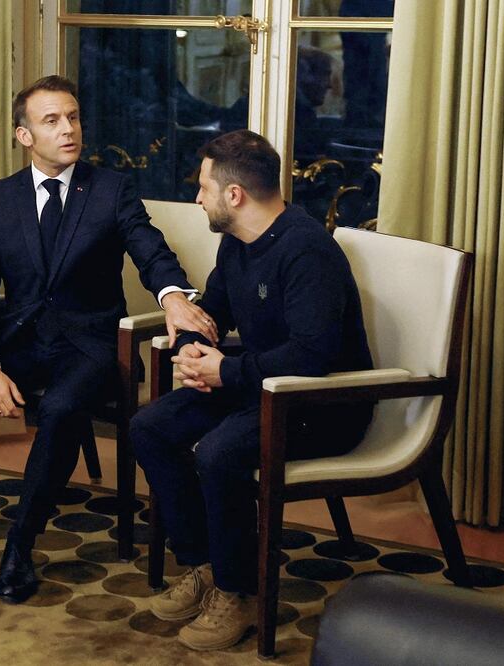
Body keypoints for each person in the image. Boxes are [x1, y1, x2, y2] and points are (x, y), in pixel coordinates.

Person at [0, 75, 217, 604]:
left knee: (60, 408)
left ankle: (21, 542)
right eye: (52, 121)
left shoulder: (111, 189)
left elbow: (148, 246)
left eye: (74, 117)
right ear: (24, 135)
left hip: (90, 347)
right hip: (17, 342)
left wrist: (172, 294)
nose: (69, 130)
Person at [130, 130, 373, 651]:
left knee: (218, 453)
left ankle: (238, 594)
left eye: (203, 187)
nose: (198, 197)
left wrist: (226, 373)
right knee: (149, 426)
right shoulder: (238, 242)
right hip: (261, 386)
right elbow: (212, 312)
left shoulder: (308, 250)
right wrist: (193, 348)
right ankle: (205, 566)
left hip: (325, 403)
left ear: (234, 195)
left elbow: (312, 356)